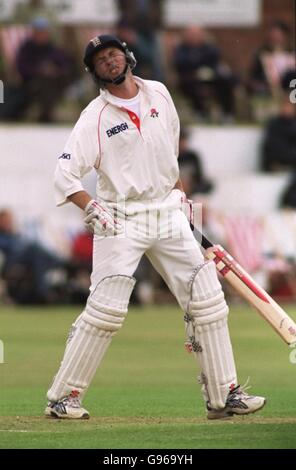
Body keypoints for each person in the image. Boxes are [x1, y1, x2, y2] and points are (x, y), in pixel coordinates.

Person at [45, 35, 265, 420]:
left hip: (167, 211)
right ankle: (63, 398)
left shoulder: (160, 94)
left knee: (208, 299)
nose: (109, 62)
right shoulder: (94, 117)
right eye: (100, 60)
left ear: (127, 56)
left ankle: (223, 395)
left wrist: (180, 198)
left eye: (113, 54)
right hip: (120, 216)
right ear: (94, 72)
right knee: (106, 310)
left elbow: (170, 155)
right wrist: (91, 204)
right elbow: (64, 174)